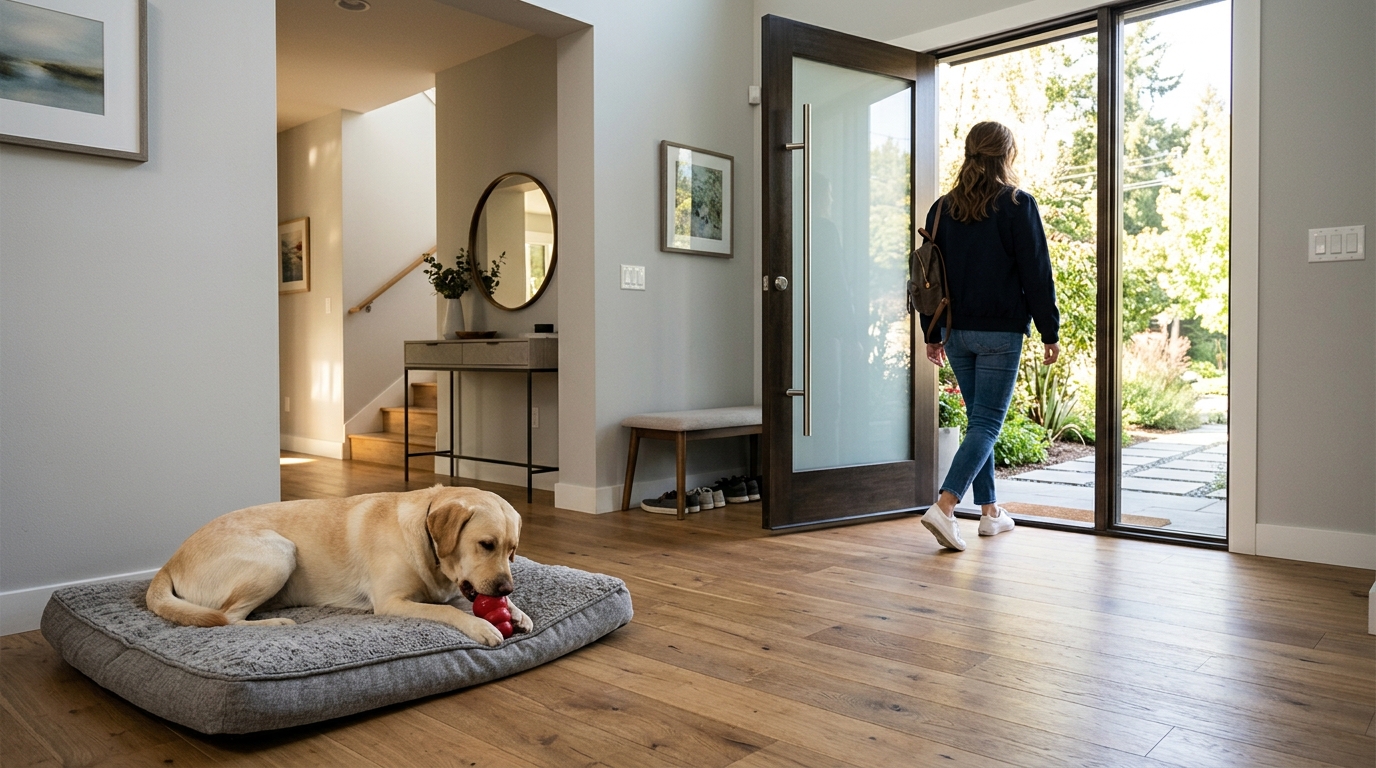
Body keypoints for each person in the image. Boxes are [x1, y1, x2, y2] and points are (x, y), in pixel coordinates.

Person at [917, 121, 1061, 551]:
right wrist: (1049, 331)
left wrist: (932, 332)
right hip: (1000, 332)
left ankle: (991, 513)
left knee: (979, 421)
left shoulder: (942, 209)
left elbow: (929, 279)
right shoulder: (1018, 204)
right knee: (985, 423)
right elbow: (1037, 273)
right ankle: (944, 507)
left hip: (956, 331)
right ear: (1007, 154)